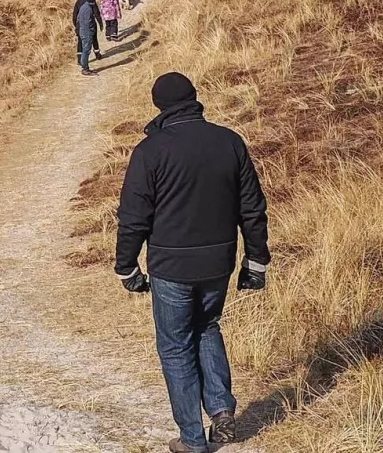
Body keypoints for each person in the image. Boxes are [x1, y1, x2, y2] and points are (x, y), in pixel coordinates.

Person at [115, 72, 270, 452]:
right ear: (194, 99)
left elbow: (134, 217)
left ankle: (192, 440)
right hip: (219, 261)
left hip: (171, 267)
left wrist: (127, 266)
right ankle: (220, 409)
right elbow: (252, 208)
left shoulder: (150, 151)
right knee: (207, 327)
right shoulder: (229, 141)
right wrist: (256, 261)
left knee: (175, 347)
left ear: (159, 106)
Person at [73, 0, 103, 75]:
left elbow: (74, 15)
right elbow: (97, 13)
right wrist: (100, 23)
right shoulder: (91, 1)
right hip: (88, 27)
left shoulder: (78, 1)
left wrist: (76, 26)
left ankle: (80, 60)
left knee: (81, 43)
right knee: (88, 47)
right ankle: (85, 68)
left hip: (80, 26)